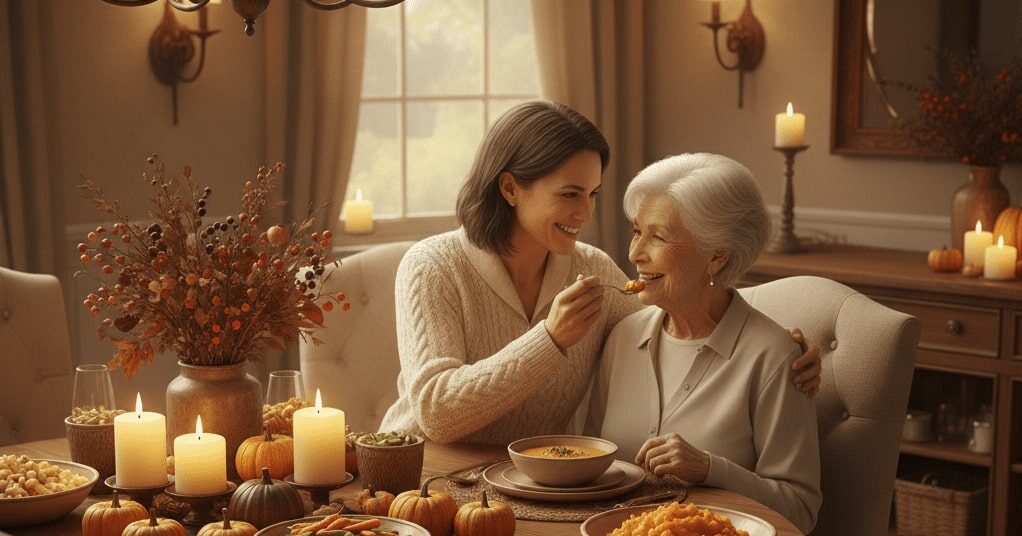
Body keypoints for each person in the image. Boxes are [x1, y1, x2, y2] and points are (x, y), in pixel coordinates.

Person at [379, 101, 821, 446]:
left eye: (592, 194)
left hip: (531, 492)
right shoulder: (432, 267)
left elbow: (680, 301)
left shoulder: (590, 269)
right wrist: (549, 340)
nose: (586, 213)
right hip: (418, 479)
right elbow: (436, 413)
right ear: (511, 187)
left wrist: (779, 342)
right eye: (570, 194)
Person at [585, 153, 822, 533]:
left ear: (716, 256)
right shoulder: (623, 336)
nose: (634, 254)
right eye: (636, 231)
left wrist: (712, 469)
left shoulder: (776, 358)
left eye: (658, 237)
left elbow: (800, 510)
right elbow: (593, 467)